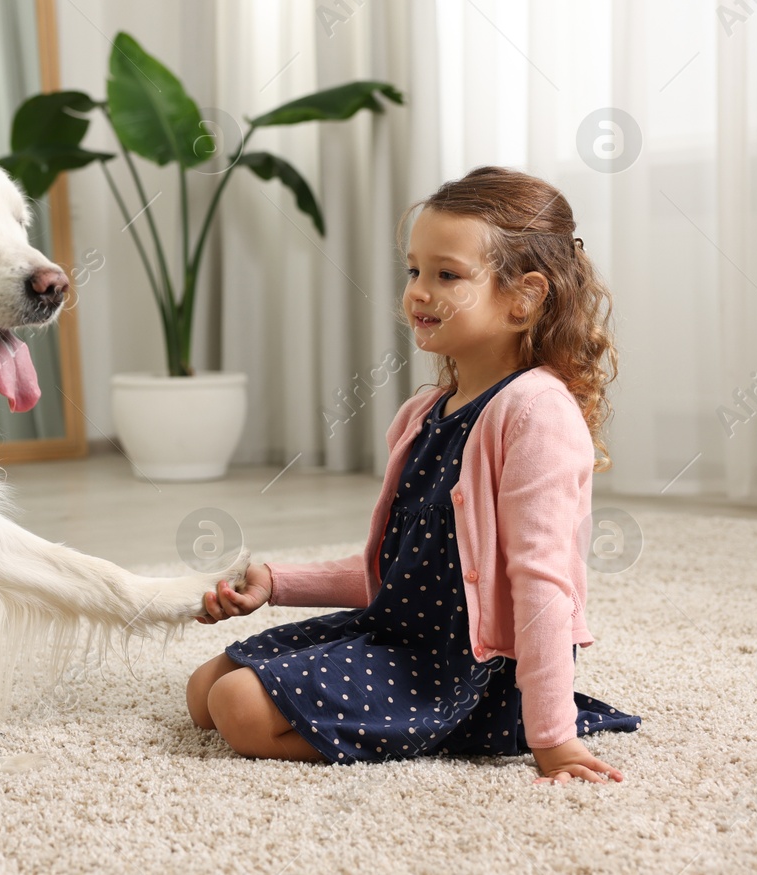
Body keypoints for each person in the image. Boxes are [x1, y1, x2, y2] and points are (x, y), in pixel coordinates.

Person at [186, 166, 639, 784]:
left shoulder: (536, 412)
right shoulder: (422, 413)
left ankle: (453, 728)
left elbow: (544, 583)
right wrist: (278, 581)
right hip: (397, 632)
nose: (418, 292)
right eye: (413, 270)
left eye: (447, 275)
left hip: (464, 667)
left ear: (524, 298)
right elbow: (400, 567)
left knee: (236, 708)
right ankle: (398, 719)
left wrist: (553, 738)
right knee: (204, 691)